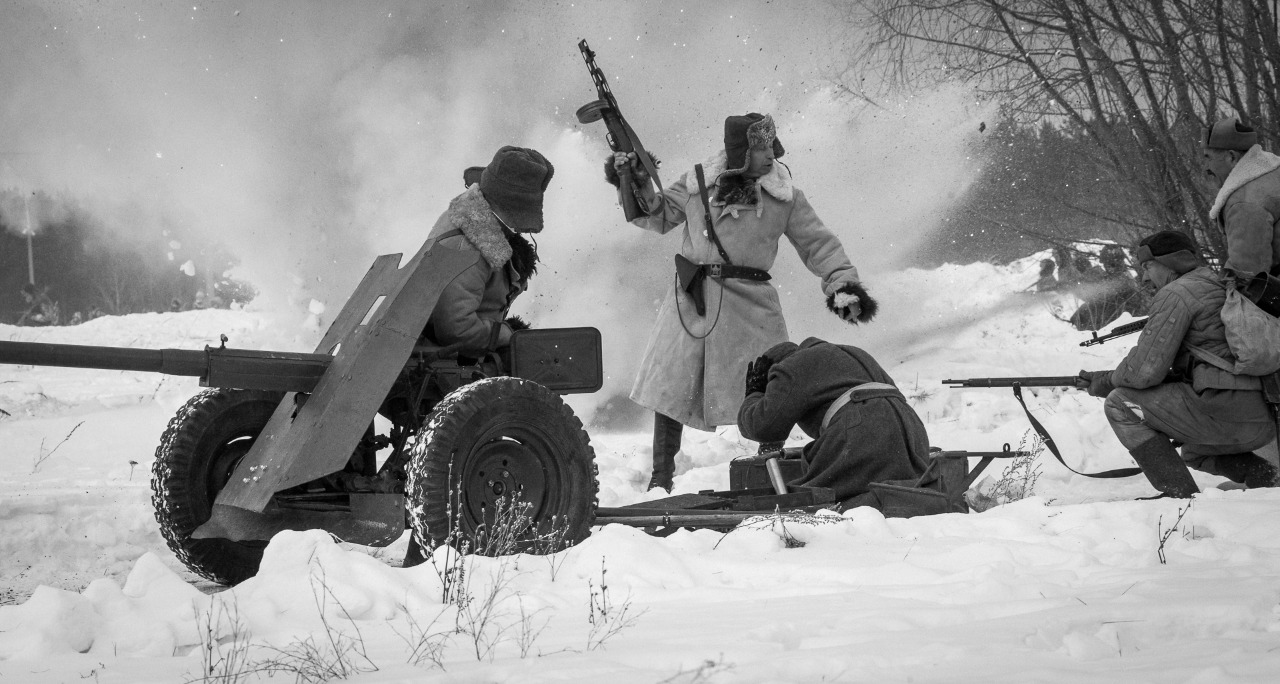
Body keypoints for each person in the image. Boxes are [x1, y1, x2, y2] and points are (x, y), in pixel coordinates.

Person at [607, 112, 876, 491]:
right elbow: (658, 215)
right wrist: (631, 177)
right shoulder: (698, 182)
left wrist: (842, 283)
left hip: (752, 304)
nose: (770, 156)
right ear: (739, 151)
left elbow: (819, 243)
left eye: (770, 146)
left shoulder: (785, 196)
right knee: (671, 388)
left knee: (773, 386)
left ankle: (770, 470)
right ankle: (660, 477)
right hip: (693, 301)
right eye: (759, 148)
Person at [1078, 230, 1277, 497]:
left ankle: (1178, 500)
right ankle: (1267, 479)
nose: (1145, 277)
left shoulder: (1177, 292)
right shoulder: (1218, 282)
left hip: (1227, 412)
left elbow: (1144, 372)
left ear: (1171, 262)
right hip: (1265, 420)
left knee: (1120, 403)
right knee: (1194, 451)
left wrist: (1103, 381)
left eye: (1148, 266)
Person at [737, 337, 931, 507]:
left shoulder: (792, 366)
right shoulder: (853, 353)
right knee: (906, 488)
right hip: (911, 430)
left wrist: (755, 393)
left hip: (863, 429)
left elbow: (763, 426)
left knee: (822, 503)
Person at [421, 146, 551, 364]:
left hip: (462, 352)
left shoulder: (468, 215)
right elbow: (456, 329)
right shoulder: (470, 250)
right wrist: (506, 335)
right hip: (456, 360)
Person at [1203, 117, 1280, 279]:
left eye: (1208, 157)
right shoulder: (1273, 172)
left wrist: (1227, 284)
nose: (1206, 168)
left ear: (1231, 157)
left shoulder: (1243, 202)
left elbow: (1248, 274)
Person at [1069, 245, 1148, 330]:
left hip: (1127, 320)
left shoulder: (1123, 278)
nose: (1108, 267)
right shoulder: (1111, 277)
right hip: (1116, 316)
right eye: (1106, 264)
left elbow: (1102, 294)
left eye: (1111, 264)